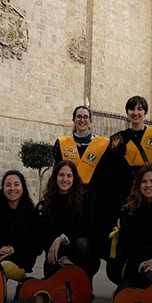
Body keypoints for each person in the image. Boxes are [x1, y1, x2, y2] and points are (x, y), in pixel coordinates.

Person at [54, 105, 112, 246]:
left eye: (86, 117)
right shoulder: (61, 143)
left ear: (90, 121)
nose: (82, 120)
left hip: (92, 199)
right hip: (68, 198)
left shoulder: (102, 145)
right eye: (79, 117)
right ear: (73, 120)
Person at [37, 160, 100, 282]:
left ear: (74, 179)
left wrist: (61, 238)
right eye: (61, 175)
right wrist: (61, 256)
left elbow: (85, 229)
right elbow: (44, 234)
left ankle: (86, 282)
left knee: (82, 243)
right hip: (56, 255)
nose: (65, 179)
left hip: (80, 253)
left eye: (69, 176)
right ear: (55, 177)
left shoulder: (85, 199)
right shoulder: (47, 203)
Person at [108, 96, 152, 226]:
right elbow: (113, 168)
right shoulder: (118, 139)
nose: (135, 113)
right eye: (131, 109)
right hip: (126, 190)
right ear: (127, 113)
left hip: (149, 188)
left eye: (140, 109)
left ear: (145, 112)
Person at [0, 170, 41, 282]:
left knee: (5, 267)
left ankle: (26, 282)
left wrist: (13, 249)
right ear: (3, 188)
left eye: (16, 184)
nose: (12, 189)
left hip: (21, 257)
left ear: (23, 187)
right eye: (8, 185)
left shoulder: (31, 212)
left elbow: (36, 244)